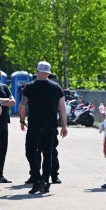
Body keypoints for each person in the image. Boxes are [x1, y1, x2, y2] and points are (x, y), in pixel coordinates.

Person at [19, 61, 68, 194]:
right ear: (48, 73)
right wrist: (64, 125)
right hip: (51, 126)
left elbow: (23, 106)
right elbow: (62, 108)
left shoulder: (29, 87)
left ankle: (38, 180)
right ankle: (45, 184)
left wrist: (22, 121)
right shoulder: (56, 87)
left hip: (35, 125)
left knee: (30, 152)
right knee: (48, 154)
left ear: (37, 71)